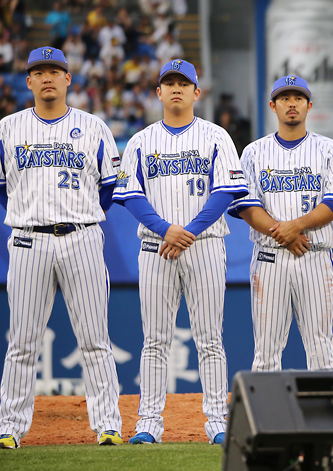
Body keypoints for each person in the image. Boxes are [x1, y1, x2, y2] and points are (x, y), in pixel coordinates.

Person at [0, 47, 124, 449]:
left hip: (82, 238)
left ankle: (108, 425)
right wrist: (25, 212)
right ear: (28, 81)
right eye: (38, 72)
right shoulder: (8, 127)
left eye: (54, 71)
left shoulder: (94, 127)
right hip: (28, 240)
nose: (46, 78)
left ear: (67, 79)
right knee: (22, 342)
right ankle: (8, 429)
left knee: (95, 339)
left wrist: (83, 214)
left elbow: (108, 187)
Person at [113, 59, 248, 446]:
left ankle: (217, 423)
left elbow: (225, 192)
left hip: (203, 245)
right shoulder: (140, 140)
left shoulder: (216, 136)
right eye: (168, 83)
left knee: (209, 338)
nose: (175, 88)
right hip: (156, 247)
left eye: (182, 83)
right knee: (154, 339)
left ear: (195, 92)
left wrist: (186, 231)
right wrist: (166, 230)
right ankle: (149, 424)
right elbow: (130, 194)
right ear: (158, 92)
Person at [227, 75, 333, 372]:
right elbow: (246, 205)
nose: (291, 104)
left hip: (315, 254)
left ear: (309, 106)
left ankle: (326, 418)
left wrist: (296, 226)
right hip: (270, 257)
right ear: (273, 106)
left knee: (321, 347)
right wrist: (284, 233)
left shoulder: (330, 149)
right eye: (284, 99)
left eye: (298, 98)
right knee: (266, 350)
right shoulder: (253, 152)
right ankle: (267, 420)